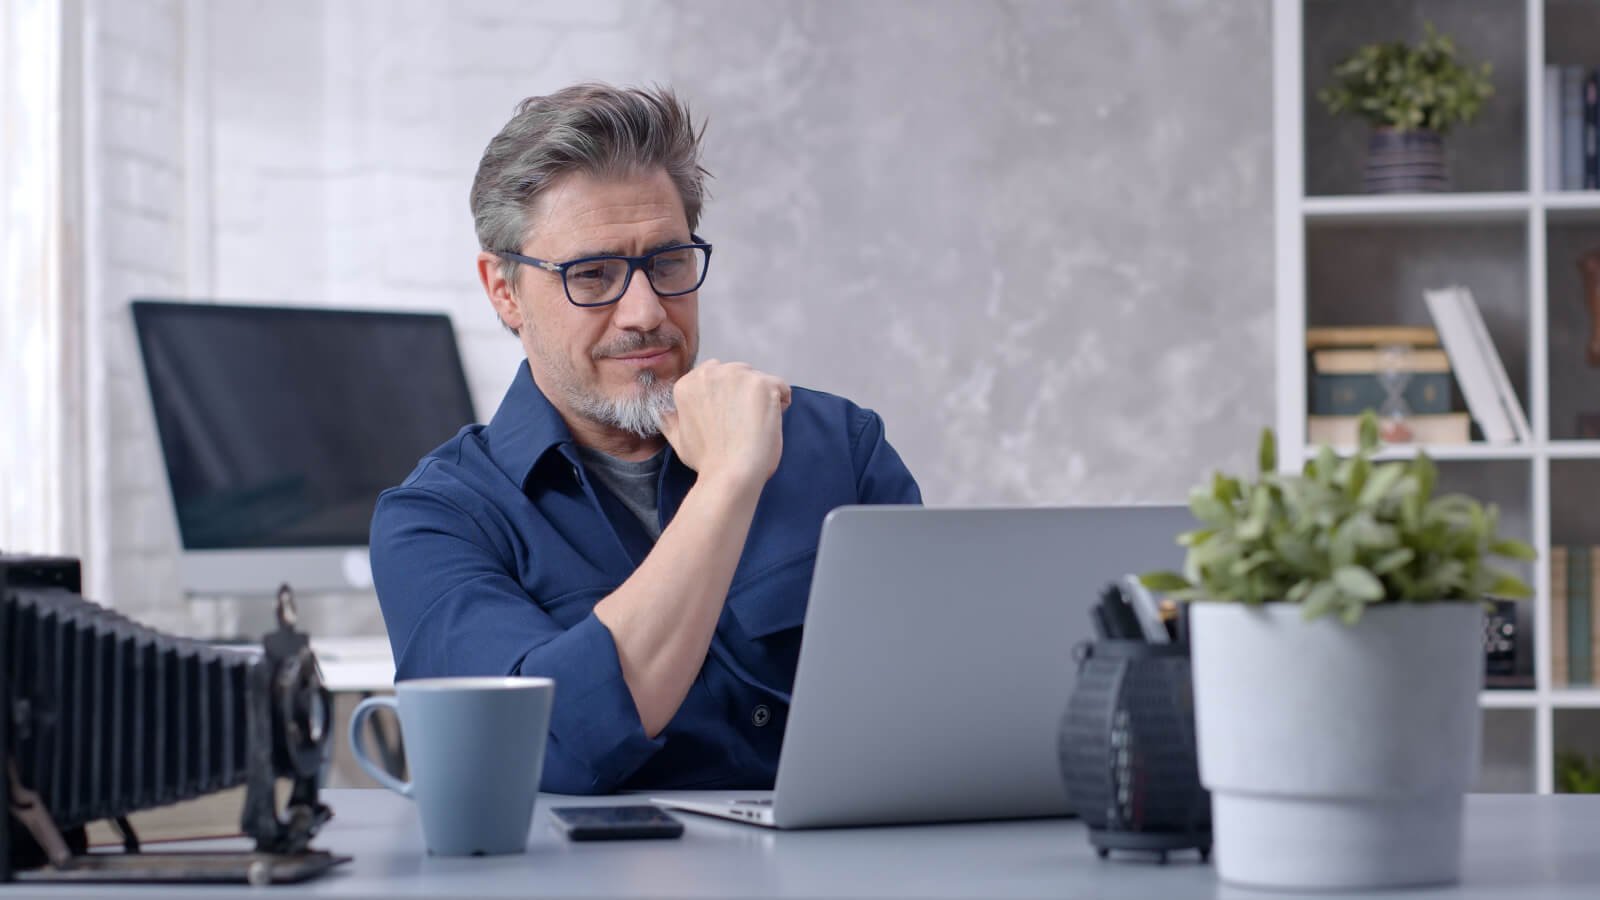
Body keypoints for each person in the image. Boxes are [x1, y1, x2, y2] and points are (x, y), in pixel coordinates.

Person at [369, 83, 920, 794]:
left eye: (667, 263)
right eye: (591, 275)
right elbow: (542, 749)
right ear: (503, 290)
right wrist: (727, 483)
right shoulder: (437, 521)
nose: (645, 312)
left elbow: (933, 701)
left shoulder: (840, 445)